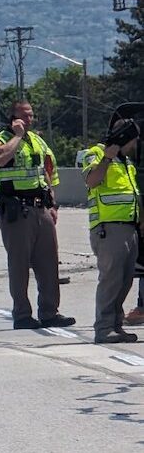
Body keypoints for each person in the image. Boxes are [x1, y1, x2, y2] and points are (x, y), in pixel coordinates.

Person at [0, 100, 76, 329]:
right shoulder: (2, 140)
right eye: (24, 116)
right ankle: (22, 315)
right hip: (17, 210)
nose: (29, 120)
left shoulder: (38, 142)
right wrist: (16, 136)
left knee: (48, 263)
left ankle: (49, 312)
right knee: (19, 264)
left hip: (40, 207)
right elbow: (0, 158)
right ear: (12, 119)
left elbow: (48, 173)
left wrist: (53, 205)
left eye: (31, 115)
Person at [84, 118, 142, 343]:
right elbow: (92, 181)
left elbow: (133, 194)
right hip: (109, 229)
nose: (135, 145)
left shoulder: (126, 162)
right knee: (111, 280)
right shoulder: (96, 154)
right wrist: (107, 156)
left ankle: (115, 326)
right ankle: (104, 328)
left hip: (129, 227)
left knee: (125, 280)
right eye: (133, 140)